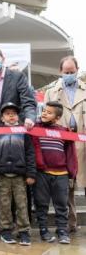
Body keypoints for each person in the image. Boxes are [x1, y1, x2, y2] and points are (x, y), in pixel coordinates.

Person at [44, 55, 85, 232]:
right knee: (65, 188)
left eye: (72, 72)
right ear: (60, 72)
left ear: (77, 71)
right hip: (62, 147)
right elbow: (46, 118)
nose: (69, 74)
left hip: (83, 146)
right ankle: (71, 223)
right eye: (66, 72)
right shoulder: (51, 92)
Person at [0, 102, 36, 246]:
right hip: (3, 176)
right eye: (7, 114)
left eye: (14, 114)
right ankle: (6, 230)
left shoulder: (23, 132)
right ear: (2, 118)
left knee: (22, 204)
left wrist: (31, 174)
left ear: (18, 117)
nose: (11, 116)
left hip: (20, 176)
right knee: (4, 204)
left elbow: (30, 153)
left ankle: (24, 231)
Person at [32, 101, 78, 244]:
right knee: (41, 203)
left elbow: (71, 153)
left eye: (49, 112)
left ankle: (62, 231)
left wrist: (72, 172)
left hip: (61, 174)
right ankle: (44, 230)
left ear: (57, 118)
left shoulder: (64, 131)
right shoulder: (35, 128)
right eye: (44, 111)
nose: (44, 113)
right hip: (42, 173)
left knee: (61, 204)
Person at [0, 47, 36, 128]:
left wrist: (30, 117)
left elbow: (28, 101)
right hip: (0, 130)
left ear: (3, 59)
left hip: (20, 126)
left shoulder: (17, 76)